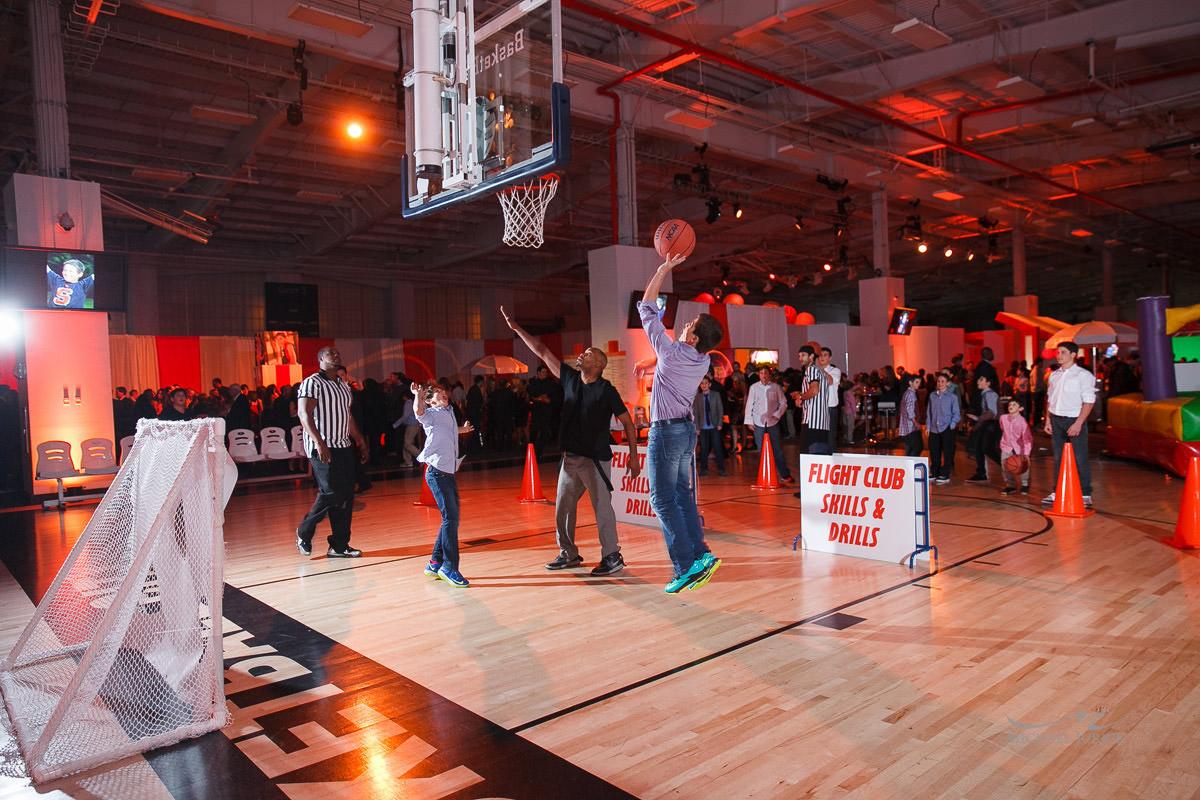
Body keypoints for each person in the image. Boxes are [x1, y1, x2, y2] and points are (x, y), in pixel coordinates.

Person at [503, 307, 641, 575]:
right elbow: (542, 351)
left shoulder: (606, 390)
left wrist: (634, 457)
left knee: (602, 508)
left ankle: (612, 556)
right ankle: (568, 553)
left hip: (595, 459)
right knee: (563, 506)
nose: (583, 354)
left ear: (599, 364)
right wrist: (517, 328)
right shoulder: (569, 379)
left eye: (589, 353)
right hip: (571, 458)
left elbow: (627, 423)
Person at [640, 253, 725, 594]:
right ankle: (701, 554)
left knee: (662, 500)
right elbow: (672, 355)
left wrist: (662, 269)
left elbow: (646, 307)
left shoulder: (673, 351)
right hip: (685, 431)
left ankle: (685, 565)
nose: (686, 324)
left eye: (690, 324)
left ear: (691, 338)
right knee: (680, 495)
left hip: (666, 432)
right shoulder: (702, 360)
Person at [295, 346, 369, 559]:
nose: (336, 355)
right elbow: (304, 414)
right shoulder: (312, 382)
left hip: (343, 446)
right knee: (330, 492)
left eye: (338, 353)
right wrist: (319, 443)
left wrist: (361, 441)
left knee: (346, 496)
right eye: (330, 354)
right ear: (320, 359)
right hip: (322, 447)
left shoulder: (343, 386)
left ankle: (339, 545)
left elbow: (348, 417)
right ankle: (304, 531)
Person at [414, 379, 475, 587]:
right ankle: (449, 567)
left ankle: (434, 562)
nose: (443, 395)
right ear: (431, 402)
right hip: (437, 473)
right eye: (438, 394)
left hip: (447, 473)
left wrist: (462, 430)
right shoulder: (431, 415)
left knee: (451, 518)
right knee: (451, 519)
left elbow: (450, 431)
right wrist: (418, 396)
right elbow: (419, 412)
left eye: (443, 392)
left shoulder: (448, 413)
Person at [1043, 341, 1096, 508]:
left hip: (1074, 419)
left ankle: (1085, 493)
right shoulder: (1054, 375)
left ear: (1073, 355)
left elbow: (1088, 401)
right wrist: (1048, 419)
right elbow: (1050, 399)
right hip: (1057, 420)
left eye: (1063, 352)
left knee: (1080, 458)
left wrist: (1079, 423)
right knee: (1058, 458)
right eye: (1058, 352)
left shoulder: (1083, 375)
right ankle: (1057, 491)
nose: (1059, 356)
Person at [745, 365, 794, 482]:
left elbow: (784, 403)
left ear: (769, 375)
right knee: (762, 451)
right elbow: (749, 405)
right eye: (761, 374)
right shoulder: (754, 388)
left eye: (765, 373)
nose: (764, 376)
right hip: (758, 423)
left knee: (777, 450)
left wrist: (777, 415)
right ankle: (766, 476)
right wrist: (749, 421)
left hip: (772, 422)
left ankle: (784, 474)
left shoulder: (776, 387)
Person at [926, 372, 961, 484]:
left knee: (947, 451)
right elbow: (929, 412)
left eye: (943, 382)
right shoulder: (932, 396)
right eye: (939, 381)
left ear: (948, 383)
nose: (940, 384)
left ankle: (945, 473)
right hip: (934, 427)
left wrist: (952, 424)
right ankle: (935, 471)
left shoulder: (952, 397)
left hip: (947, 427)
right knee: (934, 451)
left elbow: (956, 413)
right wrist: (928, 426)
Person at [965, 373, 1000, 483]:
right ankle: (982, 472)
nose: (978, 382)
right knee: (983, 448)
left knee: (986, 448)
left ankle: (1006, 467)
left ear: (988, 383)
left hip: (991, 424)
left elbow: (992, 412)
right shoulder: (985, 394)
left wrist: (977, 418)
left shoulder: (989, 394)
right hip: (988, 423)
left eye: (981, 379)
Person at [694, 375, 726, 477]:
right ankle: (704, 469)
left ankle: (721, 469)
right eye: (702, 384)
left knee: (718, 448)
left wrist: (720, 423)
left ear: (710, 385)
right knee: (703, 449)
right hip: (703, 428)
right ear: (700, 385)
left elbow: (720, 409)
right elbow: (696, 413)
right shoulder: (698, 397)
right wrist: (697, 427)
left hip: (714, 426)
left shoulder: (715, 395)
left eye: (706, 383)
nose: (704, 385)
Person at [999, 398, 1033, 495]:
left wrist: (1026, 454)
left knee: (1022, 465)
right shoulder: (1003, 418)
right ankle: (1011, 485)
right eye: (1010, 404)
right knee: (1005, 466)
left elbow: (1027, 439)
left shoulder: (1023, 422)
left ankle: (1025, 484)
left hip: (1020, 447)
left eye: (1014, 405)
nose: (1011, 406)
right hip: (1006, 445)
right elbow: (1003, 429)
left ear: (1020, 408)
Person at [819, 347, 842, 452]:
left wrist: (821, 370)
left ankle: (832, 460)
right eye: (821, 355)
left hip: (830, 407)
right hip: (818, 408)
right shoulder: (814, 371)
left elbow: (830, 381)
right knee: (819, 436)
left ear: (830, 358)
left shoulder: (835, 370)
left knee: (830, 436)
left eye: (825, 355)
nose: (822, 357)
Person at [898, 373, 924, 457]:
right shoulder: (911, 394)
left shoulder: (907, 393)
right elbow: (910, 409)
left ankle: (908, 464)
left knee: (910, 446)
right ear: (910, 382)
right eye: (916, 382)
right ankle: (912, 464)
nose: (918, 384)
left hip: (907, 425)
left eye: (919, 382)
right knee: (917, 447)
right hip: (911, 425)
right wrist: (915, 422)